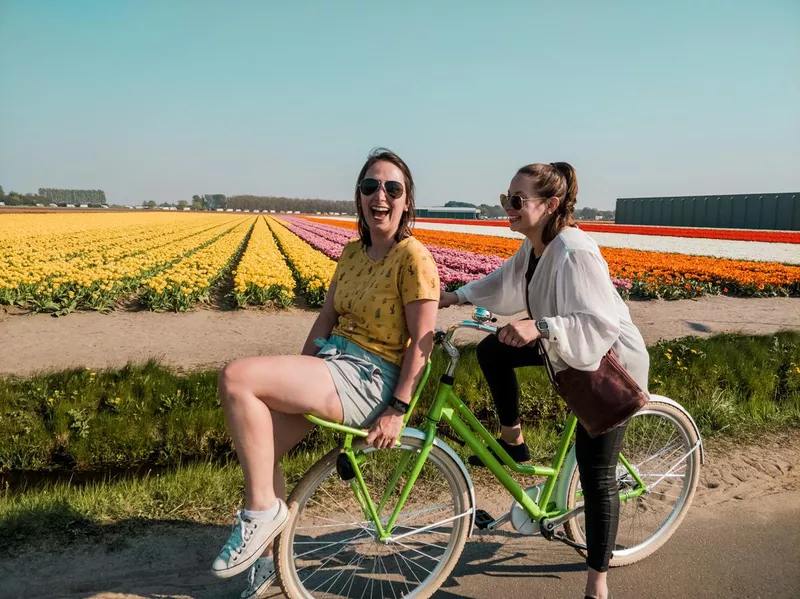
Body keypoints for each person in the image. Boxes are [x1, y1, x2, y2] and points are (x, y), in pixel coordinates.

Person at [212, 148, 440, 599]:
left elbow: (423, 342)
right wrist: (299, 371)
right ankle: (268, 564)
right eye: (370, 186)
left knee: (236, 377)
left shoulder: (415, 258)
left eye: (392, 188)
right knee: (262, 451)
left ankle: (262, 514)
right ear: (358, 197)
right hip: (333, 365)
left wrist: (397, 409)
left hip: (373, 378)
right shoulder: (352, 253)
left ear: (407, 200)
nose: (381, 196)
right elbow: (325, 319)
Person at [439, 161, 649, 599]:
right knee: (494, 348)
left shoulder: (575, 251)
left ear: (551, 204)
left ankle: (597, 585)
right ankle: (514, 441)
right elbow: (506, 282)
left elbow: (598, 322)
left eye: (516, 201)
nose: (507, 208)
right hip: (566, 345)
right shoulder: (536, 247)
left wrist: (539, 326)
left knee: (597, 474)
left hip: (609, 363)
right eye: (505, 199)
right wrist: (455, 295)